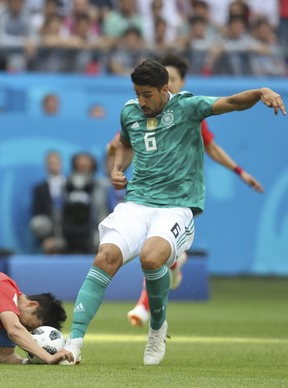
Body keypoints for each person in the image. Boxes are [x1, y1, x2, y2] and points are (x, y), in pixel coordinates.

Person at [60, 58, 285, 366]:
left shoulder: (187, 107)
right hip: (137, 202)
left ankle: (156, 329)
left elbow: (231, 102)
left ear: (165, 90)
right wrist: (117, 168)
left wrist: (260, 91)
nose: (141, 101)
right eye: (137, 93)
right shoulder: (129, 111)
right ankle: (74, 344)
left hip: (177, 205)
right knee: (105, 258)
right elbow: (125, 144)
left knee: (151, 258)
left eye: (147, 94)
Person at [125, 53, 264, 328]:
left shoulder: (189, 110)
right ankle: (173, 267)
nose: (169, 84)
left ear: (177, 82)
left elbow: (210, 146)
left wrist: (240, 172)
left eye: (173, 79)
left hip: (181, 193)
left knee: (154, 249)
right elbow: (125, 142)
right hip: (149, 193)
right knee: (153, 249)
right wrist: (116, 161)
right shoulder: (142, 112)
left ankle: (145, 305)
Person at [29, 150, 65, 254]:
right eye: (50, 163)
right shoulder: (39, 188)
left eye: (55, 163)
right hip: (50, 226)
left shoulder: (70, 184)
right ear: (46, 166)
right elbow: (37, 213)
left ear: (61, 164)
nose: (53, 166)